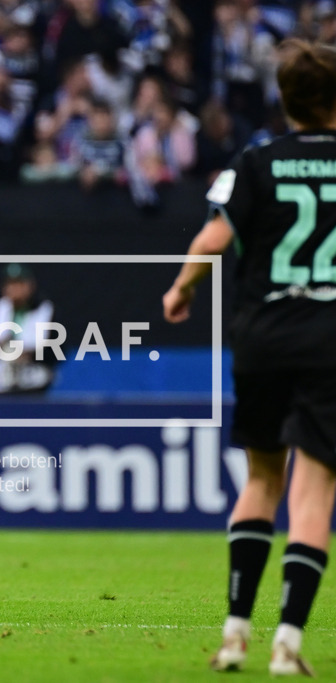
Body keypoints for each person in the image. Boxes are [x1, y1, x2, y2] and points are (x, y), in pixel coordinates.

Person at [162, 39, 336, 677]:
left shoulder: (257, 160)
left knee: (262, 478)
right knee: (313, 492)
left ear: (286, 100)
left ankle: (235, 635)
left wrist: (181, 290)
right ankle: (287, 644)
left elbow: (212, 238)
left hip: (263, 334)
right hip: (329, 341)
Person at [0, 263, 55, 394]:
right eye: (10, 284)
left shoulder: (43, 308)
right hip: (2, 376)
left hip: (33, 376)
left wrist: (17, 348)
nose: (14, 289)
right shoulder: (1, 306)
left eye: (19, 284)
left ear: (29, 286)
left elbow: (37, 343)